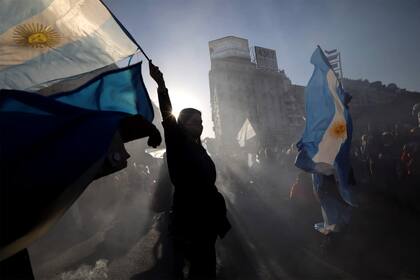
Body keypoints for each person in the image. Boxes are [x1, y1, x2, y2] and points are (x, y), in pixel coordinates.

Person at [149, 61, 230, 279]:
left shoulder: (198, 147)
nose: (200, 125)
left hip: (206, 219)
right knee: (200, 270)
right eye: (195, 122)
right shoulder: (178, 143)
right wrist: (161, 84)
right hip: (190, 218)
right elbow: (168, 117)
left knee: (205, 267)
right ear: (183, 124)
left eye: (201, 122)